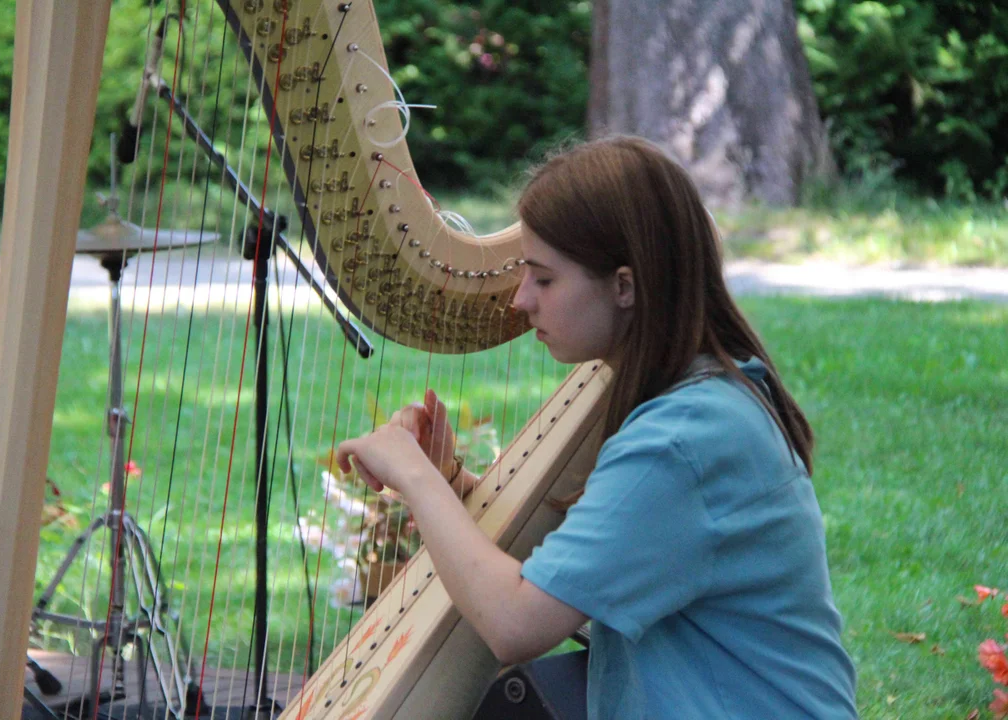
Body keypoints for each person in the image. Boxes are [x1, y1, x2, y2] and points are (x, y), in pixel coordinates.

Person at [335, 135, 857, 719]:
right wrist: (450, 482)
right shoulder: (703, 404)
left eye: (544, 278)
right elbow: (599, 554)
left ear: (625, 286)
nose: (519, 301)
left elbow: (516, 623)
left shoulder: (682, 442)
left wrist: (412, 475)